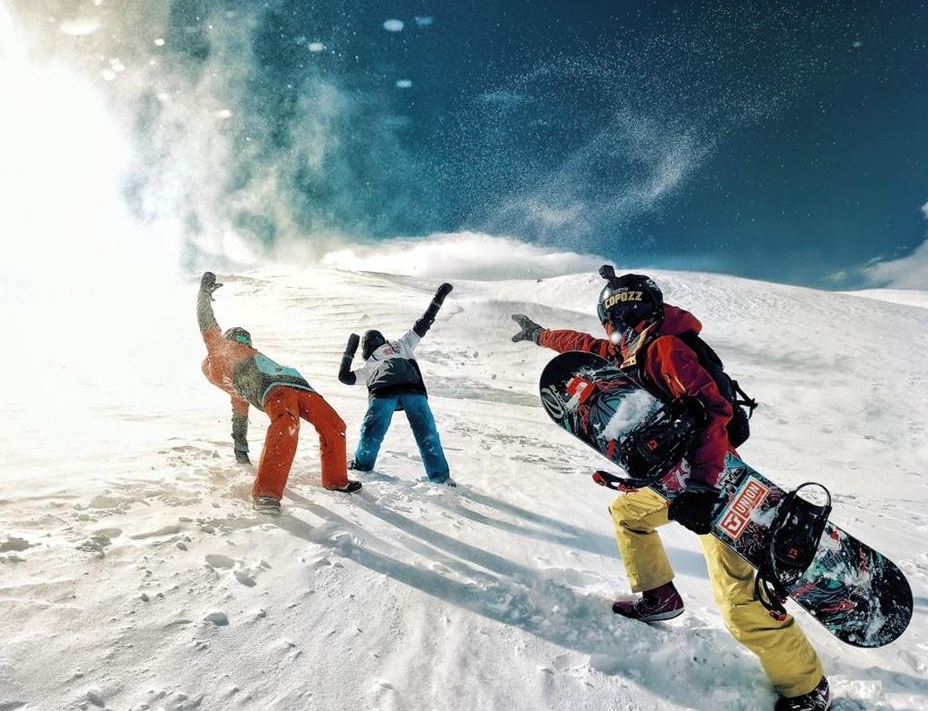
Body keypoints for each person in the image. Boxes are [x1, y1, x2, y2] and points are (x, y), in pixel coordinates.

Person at [510, 269, 830, 711]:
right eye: (615, 317)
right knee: (628, 514)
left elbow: (714, 414)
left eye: (625, 314)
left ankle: (807, 689)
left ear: (641, 312)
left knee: (739, 603)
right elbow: (583, 348)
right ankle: (659, 595)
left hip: (718, 486)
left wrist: (702, 487)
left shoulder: (665, 348)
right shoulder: (630, 353)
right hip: (679, 484)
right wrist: (540, 335)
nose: (619, 325)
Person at [196, 271, 361, 514]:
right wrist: (203, 295)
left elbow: (240, 417)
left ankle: (336, 480)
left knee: (334, 424)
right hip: (274, 391)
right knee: (287, 426)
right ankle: (266, 493)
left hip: (300, 385)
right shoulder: (221, 352)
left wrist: (241, 450)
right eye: (240, 338)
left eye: (246, 338)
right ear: (230, 338)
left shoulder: (250, 356)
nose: (245, 342)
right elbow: (207, 324)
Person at [338, 283, 455, 485]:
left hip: (385, 392)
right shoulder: (401, 345)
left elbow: (344, 377)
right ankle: (441, 477)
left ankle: (363, 465)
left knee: (372, 432)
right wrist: (439, 297)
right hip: (412, 390)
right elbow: (423, 323)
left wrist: (350, 349)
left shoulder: (374, 361)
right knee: (426, 433)